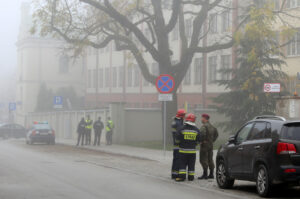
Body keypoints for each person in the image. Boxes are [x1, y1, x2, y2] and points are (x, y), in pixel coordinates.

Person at [176, 113, 202, 182]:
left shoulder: (181, 128)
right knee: (191, 164)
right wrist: (194, 144)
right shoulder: (196, 130)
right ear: (193, 120)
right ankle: (191, 177)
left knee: (182, 164)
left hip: (183, 151)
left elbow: (177, 139)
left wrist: (180, 143)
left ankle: (182, 177)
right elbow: (199, 140)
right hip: (192, 152)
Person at [198, 113, 219, 180]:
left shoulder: (204, 126)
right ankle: (211, 174)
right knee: (210, 159)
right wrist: (212, 141)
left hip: (204, 146)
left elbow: (202, 134)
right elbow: (216, 134)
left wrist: (201, 141)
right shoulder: (212, 126)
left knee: (203, 159)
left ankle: (205, 174)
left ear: (205, 118)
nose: (201, 119)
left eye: (202, 118)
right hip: (210, 145)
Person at [171, 109, 186, 179]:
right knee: (178, 159)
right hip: (178, 144)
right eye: (184, 115)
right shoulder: (178, 123)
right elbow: (180, 133)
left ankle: (174, 174)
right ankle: (176, 174)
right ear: (181, 115)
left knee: (175, 159)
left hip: (175, 144)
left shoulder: (175, 121)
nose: (185, 116)